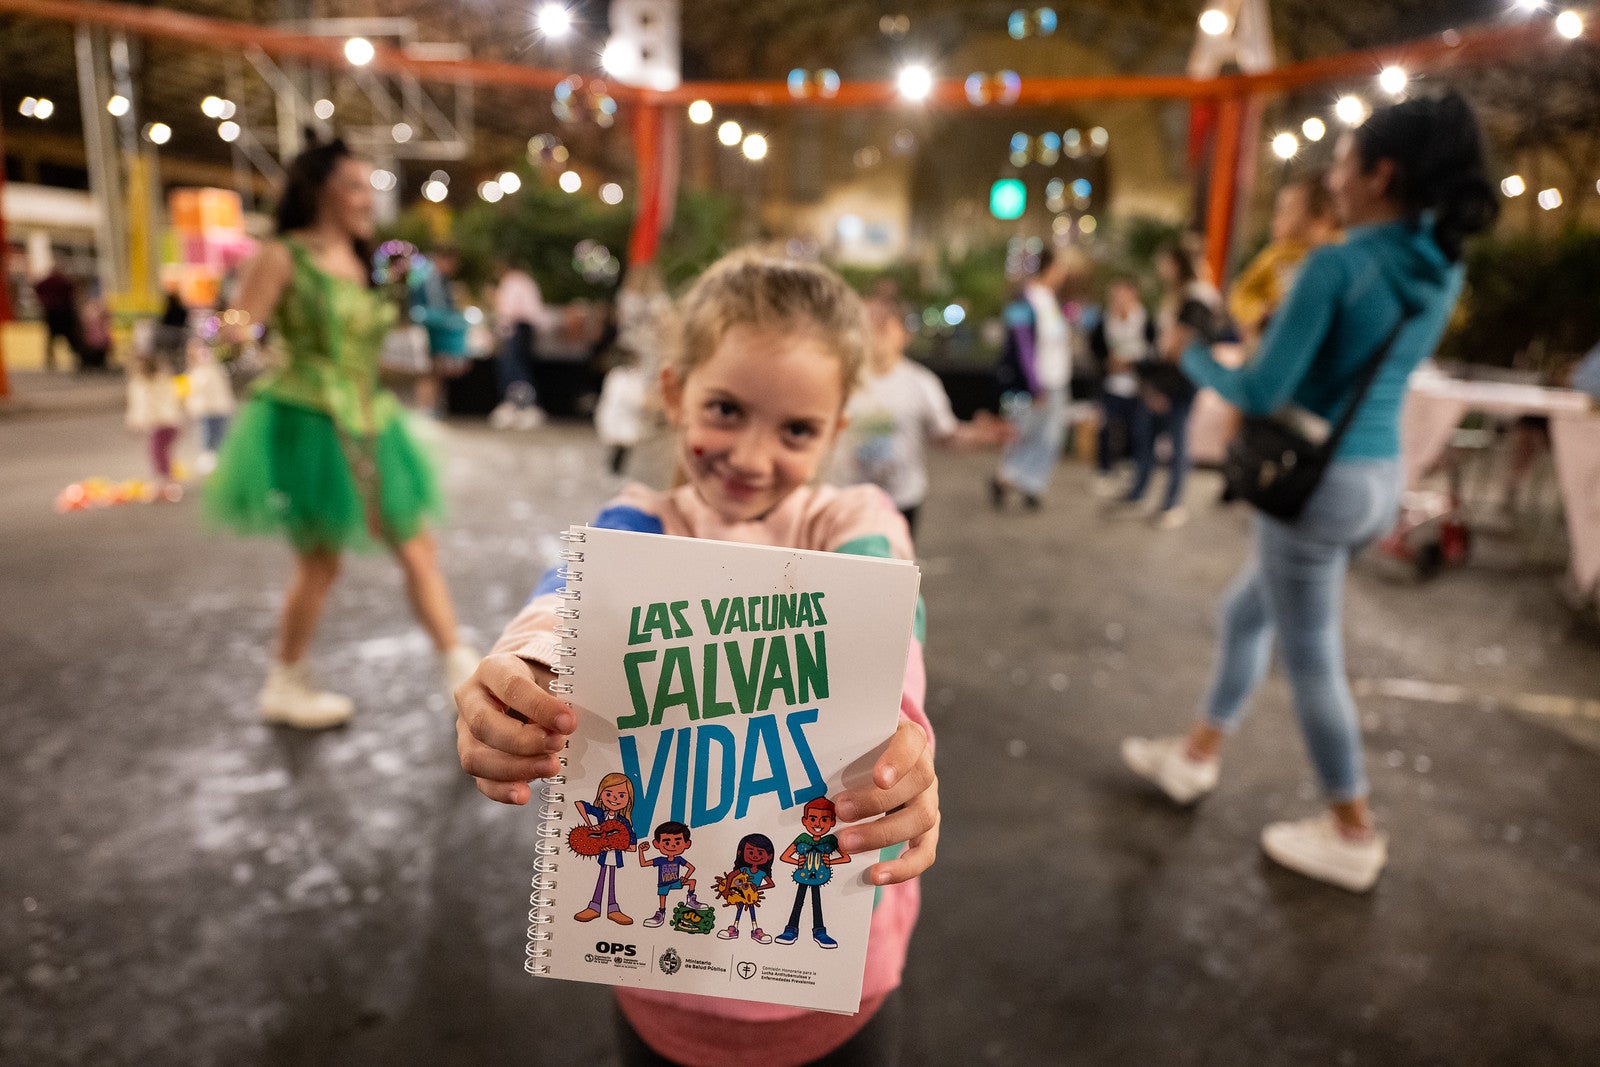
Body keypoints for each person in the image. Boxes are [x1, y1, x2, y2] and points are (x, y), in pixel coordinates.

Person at [455, 248, 940, 1064]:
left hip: (840, 995)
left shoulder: (856, 519)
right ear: (674, 393)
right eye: (725, 409)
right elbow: (564, 599)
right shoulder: (636, 520)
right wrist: (524, 678)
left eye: (795, 429)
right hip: (662, 995)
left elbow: (888, 637)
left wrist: (905, 747)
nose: (752, 458)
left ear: (837, 426)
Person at [1121, 91, 1499, 891]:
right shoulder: (1440, 263)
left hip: (1315, 488)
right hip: (1377, 478)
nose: (1335, 173)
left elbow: (1260, 390)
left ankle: (1351, 828)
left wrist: (1188, 358)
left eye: (1346, 157)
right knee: (1244, 613)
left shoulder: (1337, 264)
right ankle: (1196, 754)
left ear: (1381, 172)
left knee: (1314, 660)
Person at [202, 137, 478, 730]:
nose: (366, 198)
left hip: (372, 419)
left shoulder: (363, 263)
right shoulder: (281, 256)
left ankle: (462, 674)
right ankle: (286, 680)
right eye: (354, 185)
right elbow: (232, 338)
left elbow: (365, 355)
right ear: (319, 189)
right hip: (311, 423)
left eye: (367, 186)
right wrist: (241, 342)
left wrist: (422, 367)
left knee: (416, 547)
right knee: (322, 561)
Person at [834, 294, 1009, 535]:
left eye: (886, 321)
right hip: (841, 500)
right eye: (869, 319)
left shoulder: (921, 383)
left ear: (905, 335)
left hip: (899, 501)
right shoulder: (835, 378)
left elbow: (944, 435)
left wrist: (981, 437)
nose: (877, 327)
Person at [1116, 242, 1218, 530]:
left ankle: (1172, 503)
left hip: (1179, 382)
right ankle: (1141, 494)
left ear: (1175, 264)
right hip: (1169, 378)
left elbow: (1176, 349)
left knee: (1176, 441)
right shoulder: (1183, 296)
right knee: (1148, 434)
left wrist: (1159, 384)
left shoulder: (1195, 299)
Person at [991, 248, 1074, 510]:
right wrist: (1033, 384)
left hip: (1057, 379)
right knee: (1023, 431)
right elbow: (1020, 346)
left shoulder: (1052, 299)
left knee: (1050, 436)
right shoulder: (1022, 300)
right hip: (1033, 383)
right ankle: (1007, 476)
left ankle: (1031, 483)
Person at [1228, 173, 1341, 346]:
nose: (1275, 221)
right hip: (1276, 334)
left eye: (1288, 210)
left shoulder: (1338, 253)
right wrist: (1258, 313)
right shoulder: (1277, 255)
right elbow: (1241, 292)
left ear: (1319, 218)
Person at [1087, 277, 1156, 497]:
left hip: (1137, 386)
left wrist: (1134, 366)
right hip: (1111, 385)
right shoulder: (1104, 320)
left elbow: (1154, 352)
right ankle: (1104, 470)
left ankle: (1130, 468)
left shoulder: (1145, 320)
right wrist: (1107, 363)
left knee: (1135, 429)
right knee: (1106, 427)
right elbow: (1095, 349)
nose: (1118, 299)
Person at [409, 244, 470, 415]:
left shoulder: (423, 271)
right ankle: (425, 409)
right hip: (429, 328)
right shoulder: (430, 275)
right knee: (430, 369)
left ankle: (429, 407)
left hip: (428, 326)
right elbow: (437, 306)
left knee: (433, 369)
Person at [488, 258, 548, 430]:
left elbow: (508, 310)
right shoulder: (526, 280)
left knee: (513, 367)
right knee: (518, 365)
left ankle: (521, 405)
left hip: (516, 327)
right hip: (524, 327)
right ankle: (520, 404)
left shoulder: (512, 281)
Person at [34, 265, 80, 372]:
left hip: (51, 312)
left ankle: (50, 361)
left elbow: (37, 288)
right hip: (64, 312)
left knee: (51, 338)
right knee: (70, 336)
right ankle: (75, 358)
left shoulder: (47, 282)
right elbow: (72, 291)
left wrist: (43, 302)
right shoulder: (63, 281)